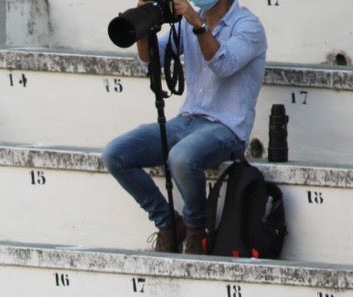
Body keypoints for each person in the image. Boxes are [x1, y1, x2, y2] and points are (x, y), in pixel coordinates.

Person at [101, 0, 268, 253]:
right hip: (187, 120)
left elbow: (224, 65)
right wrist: (142, 23)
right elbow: (152, 62)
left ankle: (196, 231)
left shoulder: (248, 26)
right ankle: (168, 224)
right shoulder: (190, 21)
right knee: (115, 154)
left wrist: (198, 25)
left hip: (227, 127)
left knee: (180, 157)